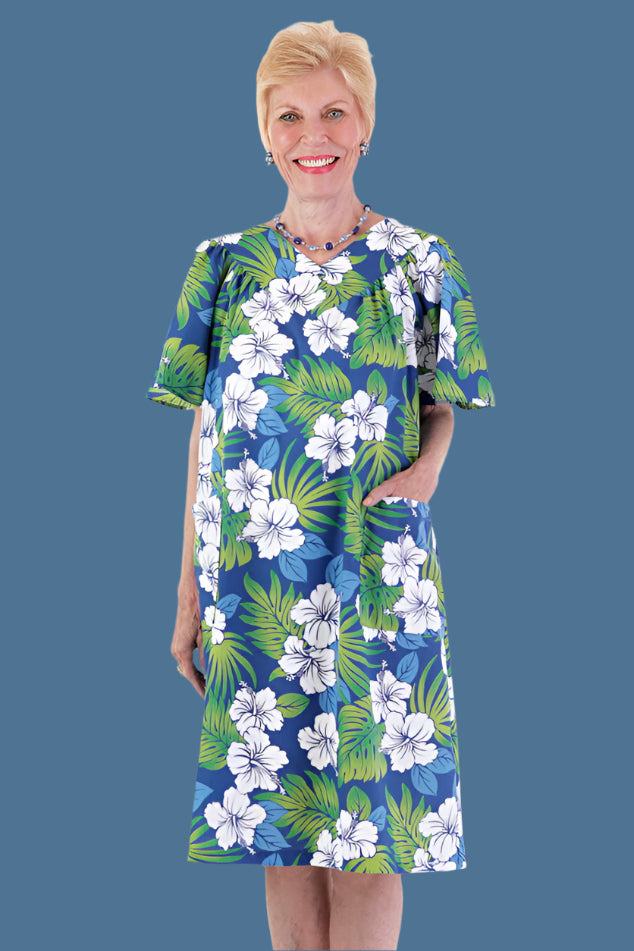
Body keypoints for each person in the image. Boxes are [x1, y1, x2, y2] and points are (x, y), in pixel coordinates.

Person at [147, 19, 494, 951]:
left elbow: (443, 402)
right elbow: (205, 431)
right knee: (283, 826)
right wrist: (186, 594)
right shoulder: (222, 267)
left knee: (373, 834)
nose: (315, 135)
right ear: (265, 133)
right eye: (291, 116)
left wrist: (427, 470)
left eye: (335, 112)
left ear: (366, 124)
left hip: (374, 573)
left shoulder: (421, 261)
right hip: (256, 583)